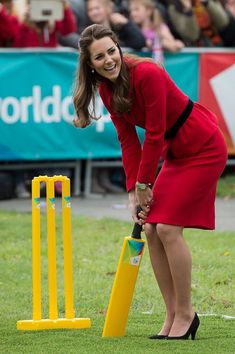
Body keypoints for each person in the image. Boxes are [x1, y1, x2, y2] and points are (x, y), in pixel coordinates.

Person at [72, 24, 227, 339]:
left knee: (168, 227)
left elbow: (153, 134)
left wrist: (145, 185)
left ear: (119, 48)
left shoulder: (148, 73)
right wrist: (132, 191)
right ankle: (172, 315)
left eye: (111, 51)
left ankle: (186, 312)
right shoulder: (105, 89)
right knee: (153, 228)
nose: (108, 60)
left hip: (203, 146)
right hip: (175, 153)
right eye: (99, 57)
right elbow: (128, 140)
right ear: (90, 63)